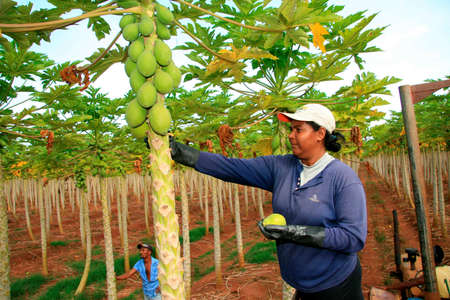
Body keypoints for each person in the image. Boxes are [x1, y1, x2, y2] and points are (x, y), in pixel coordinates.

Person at [168, 103, 367, 300]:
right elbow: (230, 168)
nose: (291, 135)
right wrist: (176, 150)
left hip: (336, 285)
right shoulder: (281, 167)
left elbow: (353, 237)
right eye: (291, 129)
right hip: (300, 284)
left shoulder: (342, 178)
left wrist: (294, 232)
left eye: (299, 130)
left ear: (320, 134)